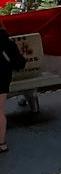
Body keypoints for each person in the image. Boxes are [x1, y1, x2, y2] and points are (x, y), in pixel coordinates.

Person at [0, 25, 26, 155]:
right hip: (3, 74)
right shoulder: (3, 35)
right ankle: (2, 144)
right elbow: (15, 55)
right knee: (0, 110)